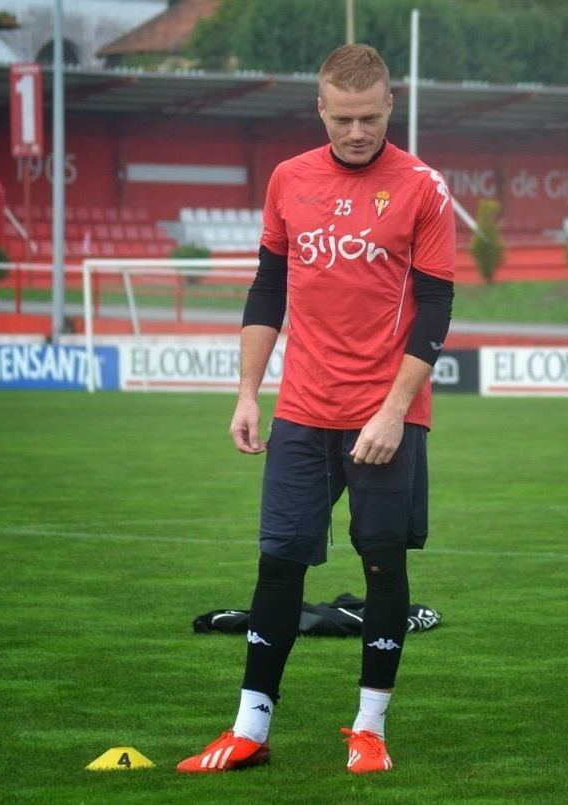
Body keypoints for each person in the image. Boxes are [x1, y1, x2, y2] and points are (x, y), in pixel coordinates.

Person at [177, 43, 456, 776]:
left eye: (370, 117)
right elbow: (267, 289)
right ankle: (249, 729)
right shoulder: (288, 179)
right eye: (343, 118)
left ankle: (369, 729)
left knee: (381, 564)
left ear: (390, 106)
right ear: (321, 110)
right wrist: (247, 391)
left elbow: (436, 306)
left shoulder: (424, 188)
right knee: (278, 564)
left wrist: (395, 409)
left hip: (386, 413)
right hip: (301, 407)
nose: (357, 131)